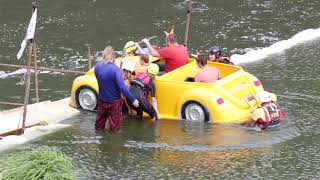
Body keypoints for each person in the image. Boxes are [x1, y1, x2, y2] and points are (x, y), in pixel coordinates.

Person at [94, 46, 139, 133]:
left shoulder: (97, 66)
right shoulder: (115, 69)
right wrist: (133, 99)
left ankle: (99, 139)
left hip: (102, 99)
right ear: (113, 56)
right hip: (114, 102)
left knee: (99, 124)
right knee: (115, 127)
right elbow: (122, 87)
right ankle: (114, 142)